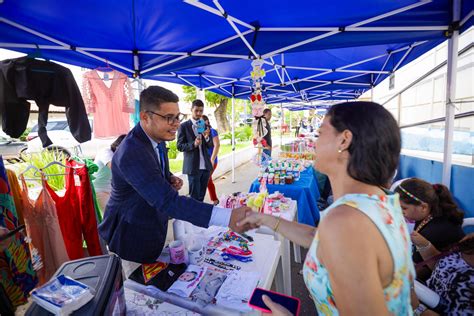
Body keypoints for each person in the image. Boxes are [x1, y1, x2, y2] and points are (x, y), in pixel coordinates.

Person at [238, 101, 415, 314]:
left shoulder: (346, 223)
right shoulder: (375, 201)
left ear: (344, 140)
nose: (313, 142)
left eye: (321, 133)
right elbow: (319, 237)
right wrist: (265, 219)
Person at [98, 86, 251, 265]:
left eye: (177, 117)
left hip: (152, 227)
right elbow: (168, 201)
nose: (176, 124)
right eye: (169, 118)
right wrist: (227, 217)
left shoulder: (157, 138)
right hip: (131, 236)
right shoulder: (131, 152)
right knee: (139, 287)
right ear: (145, 117)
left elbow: (153, 168)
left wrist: (168, 177)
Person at [395, 178, 465, 280]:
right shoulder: (435, 212)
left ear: (423, 207)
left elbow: (420, 271)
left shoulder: (429, 233)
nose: (399, 212)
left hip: (448, 279)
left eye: (404, 208)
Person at [411, 233, 474, 315]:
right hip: (420, 292)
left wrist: (418, 309)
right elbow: (443, 268)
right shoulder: (470, 240)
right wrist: (423, 244)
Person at [177, 99, 213, 201]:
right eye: (196, 110)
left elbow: (209, 145)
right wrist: (194, 144)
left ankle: (200, 215)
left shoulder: (204, 125)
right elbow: (179, 146)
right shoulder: (183, 126)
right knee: (194, 197)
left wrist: (206, 137)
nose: (198, 113)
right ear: (191, 109)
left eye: (201, 111)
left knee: (202, 195)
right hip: (193, 167)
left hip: (205, 166)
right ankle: (193, 216)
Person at [93, 134, 126, 213]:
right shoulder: (106, 152)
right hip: (99, 190)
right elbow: (114, 167)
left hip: (111, 190)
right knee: (110, 215)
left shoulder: (121, 154)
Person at [202, 115, 220, 205]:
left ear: (207, 122)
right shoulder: (202, 133)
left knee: (206, 179)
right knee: (208, 180)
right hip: (203, 161)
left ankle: (214, 200)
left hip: (212, 161)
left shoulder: (213, 131)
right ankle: (215, 200)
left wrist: (212, 160)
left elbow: (217, 145)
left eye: (203, 121)